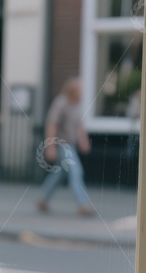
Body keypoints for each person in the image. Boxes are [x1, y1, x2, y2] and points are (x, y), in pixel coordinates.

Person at [37, 77, 95, 217]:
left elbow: (79, 125)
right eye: (80, 89)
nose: (83, 92)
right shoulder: (61, 103)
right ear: (73, 90)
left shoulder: (76, 104)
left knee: (59, 173)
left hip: (71, 144)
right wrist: (50, 147)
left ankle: (43, 199)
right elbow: (51, 125)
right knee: (76, 171)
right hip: (62, 145)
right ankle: (83, 204)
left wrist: (84, 141)